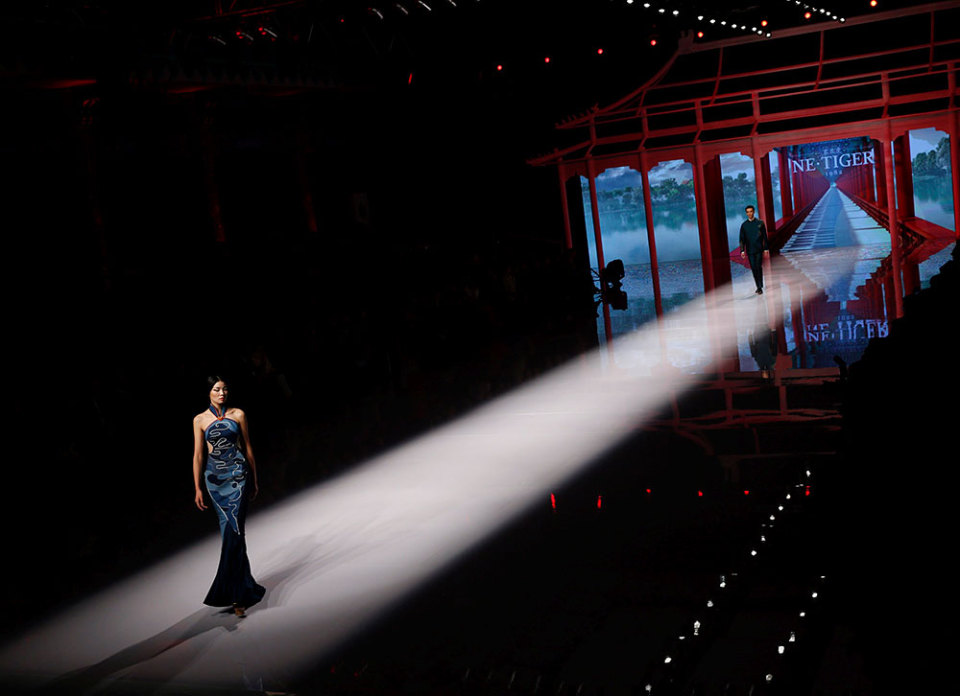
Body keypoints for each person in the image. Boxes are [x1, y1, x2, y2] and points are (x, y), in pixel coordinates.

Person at [193, 376, 265, 616]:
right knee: (232, 533)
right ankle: (243, 588)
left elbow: (248, 447)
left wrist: (254, 478)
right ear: (208, 392)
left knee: (235, 532)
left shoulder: (238, 414)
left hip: (238, 476)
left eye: (224, 389)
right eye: (216, 389)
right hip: (215, 481)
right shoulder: (199, 420)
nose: (222, 393)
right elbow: (198, 455)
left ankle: (235, 595)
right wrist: (198, 487)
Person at [739, 205, 770, 294]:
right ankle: (758, 286)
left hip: (759, 249)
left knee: (758, 267)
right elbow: (742, 239)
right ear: (746, 213)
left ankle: (759, 287)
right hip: (750, 250)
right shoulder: (744, 225)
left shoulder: (760, 223)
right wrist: (742, 250)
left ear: (754, 212)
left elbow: (765, 236)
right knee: (753, 268)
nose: (749, 213)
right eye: (748, 212)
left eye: (751, 211)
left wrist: (766, 248)